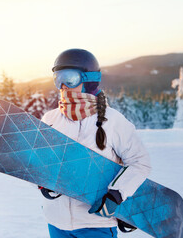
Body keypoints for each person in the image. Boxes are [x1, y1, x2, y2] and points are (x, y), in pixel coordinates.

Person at [40, 49, 151, 238]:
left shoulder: (113, 121)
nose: (63, 86)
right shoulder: (50, 119)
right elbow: (36, 161)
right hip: (56, 222)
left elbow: (140, 163)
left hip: (95, 224)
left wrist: (117, 195)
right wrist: (42, 184)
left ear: (89, 80)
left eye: (70, 78)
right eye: (58, 78)